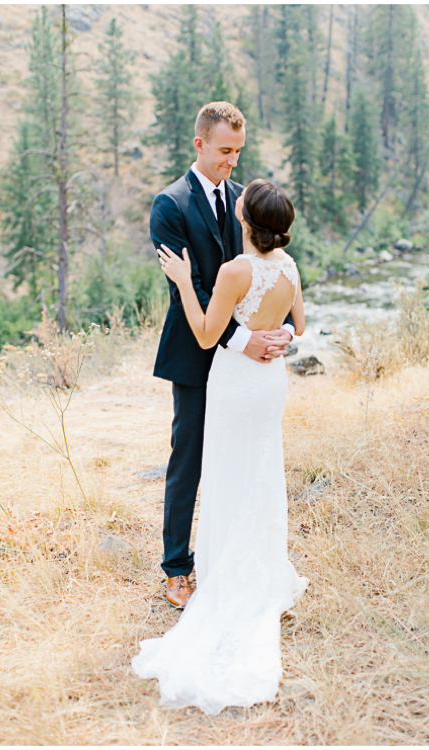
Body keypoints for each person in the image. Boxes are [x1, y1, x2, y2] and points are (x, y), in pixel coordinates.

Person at [132, 178, 309, 714]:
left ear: (247, 221)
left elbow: (208, 335)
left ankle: (217, 574)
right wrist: (279, 336)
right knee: (261, 469)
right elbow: (299, 326)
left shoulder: (235, 271)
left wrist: (185, 282)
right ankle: (257, 564)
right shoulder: (291, 267)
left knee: (228, 470)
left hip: (235, 379)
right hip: (271, 381)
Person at [148, 101, 295, 609]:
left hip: (245, 364)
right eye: (225, 151)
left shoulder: (243, 201)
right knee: (187, 459)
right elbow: (191, 289)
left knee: (241, 458)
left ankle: (231, 558)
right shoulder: (169, 205)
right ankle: (176, 569)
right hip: (196, 350)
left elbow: (269, 271)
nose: (233, 161)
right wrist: (243, 339)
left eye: (239, 152)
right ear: (200, 144)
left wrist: (280, 335)